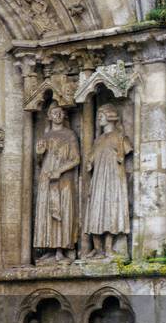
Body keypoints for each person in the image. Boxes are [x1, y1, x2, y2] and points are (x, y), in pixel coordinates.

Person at [84, 104, 132, 258]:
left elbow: (127, 149)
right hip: (98, 179)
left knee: (110, 210)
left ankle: (108, 247)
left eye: (101, 116)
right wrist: (89, 162)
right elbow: (91, 158)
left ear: (110, 116)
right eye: (97, 116)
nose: (99, 119)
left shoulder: (119, 137)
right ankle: (97, 249)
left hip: (112, 178)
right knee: (96, 211)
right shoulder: (98, 140)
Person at [33, 104, 80, 263]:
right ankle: (49, 248)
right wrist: (39, 154)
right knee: (46, 212)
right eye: (54, 112)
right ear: (49, 116)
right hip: (46, 178)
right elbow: (39, 162)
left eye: (60, 112)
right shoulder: (45, 136)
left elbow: (76, 159)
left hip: (63, 179)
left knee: (62, 212)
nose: (57, 115)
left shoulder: (70, 134)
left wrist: (60, 170)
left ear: (64, 115)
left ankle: (61, 250)